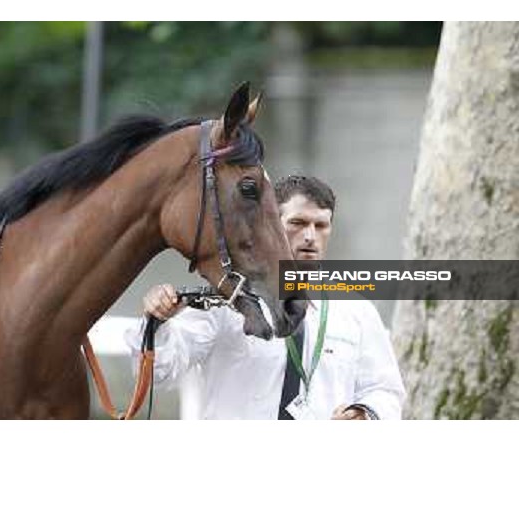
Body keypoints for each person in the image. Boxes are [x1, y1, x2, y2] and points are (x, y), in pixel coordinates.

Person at [125, 175, 406, 419]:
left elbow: (385, 391)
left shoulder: (356, 310)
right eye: (298, 222)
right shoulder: (228, 299)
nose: (310, 236)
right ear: (270, 223)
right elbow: (158, 373)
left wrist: (364, 414)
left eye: (321, 225)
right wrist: (157, 321)